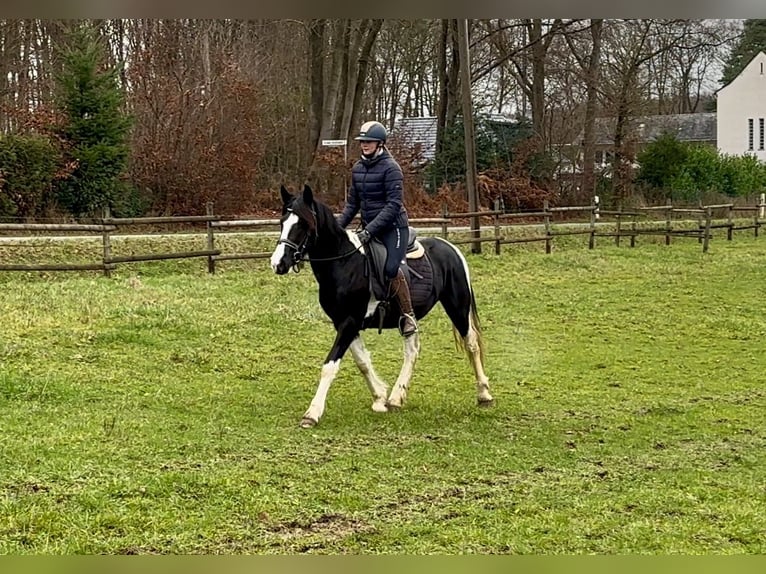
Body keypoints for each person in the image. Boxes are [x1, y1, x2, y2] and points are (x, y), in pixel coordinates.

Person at [337, 120, 418, 337]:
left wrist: (369, 231)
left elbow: (393, 205)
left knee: (391, 268)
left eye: (369, 141)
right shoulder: (357, 168)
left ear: (380, 143)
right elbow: (352, 205)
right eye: (363, 141)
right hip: (369, 227)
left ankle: (408, 315)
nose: (365, 145)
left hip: (394, 228)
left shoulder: (392, 169)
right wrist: (336, 228)